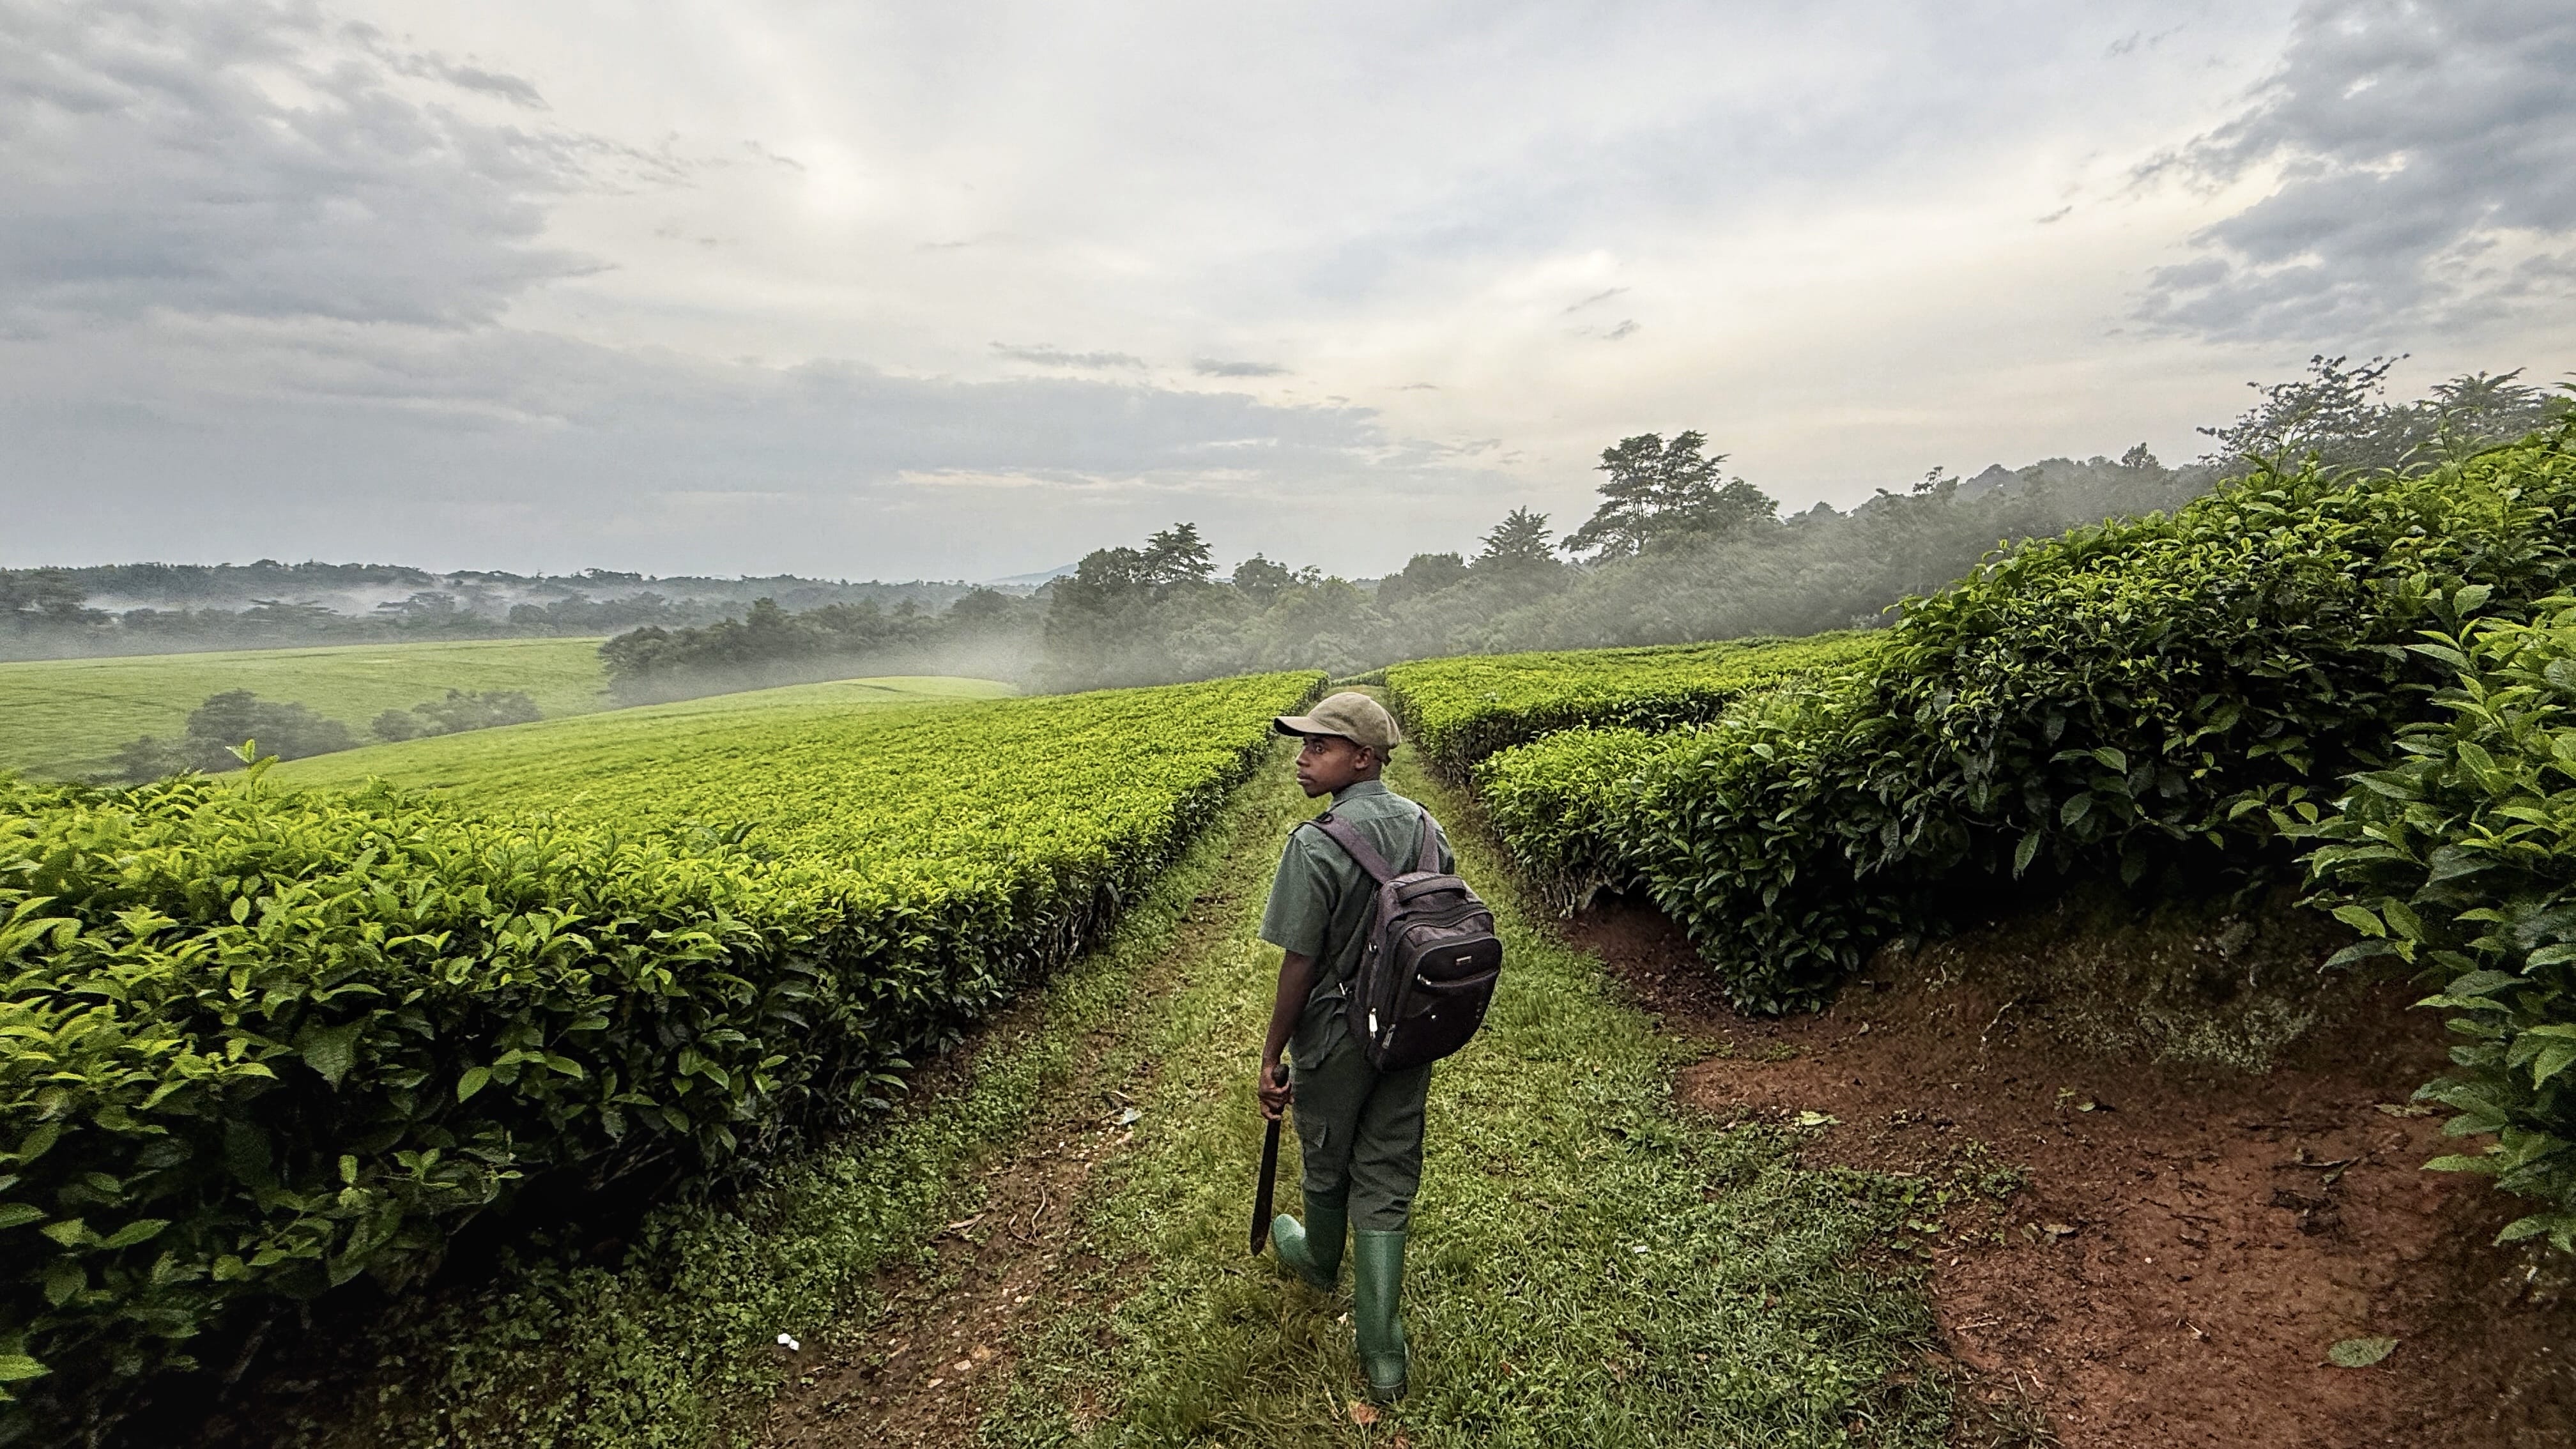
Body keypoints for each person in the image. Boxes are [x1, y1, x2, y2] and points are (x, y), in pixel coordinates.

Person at [1255, 689, 1453, 1404]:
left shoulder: (1316, 843)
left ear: (1362, 758)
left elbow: (1300, 962)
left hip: (1338, 1032)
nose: (1302, 759)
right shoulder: (1428, 827)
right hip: (1410, 1026)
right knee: (1390, 1165)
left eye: (1319, 747)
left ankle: (1315, 1259)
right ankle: (1384, 1354)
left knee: (1328, 1148)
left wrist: (1272, 1052)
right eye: (1303, 746)